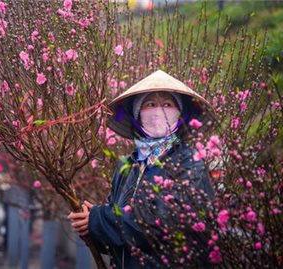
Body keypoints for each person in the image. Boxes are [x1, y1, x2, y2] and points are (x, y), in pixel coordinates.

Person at [68, 70, 215, 268]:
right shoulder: (128, 166)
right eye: (150, 104)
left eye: (168, 104)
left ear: (179, 114)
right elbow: (119, 237)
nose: (159, 111)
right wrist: (91, 225)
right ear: (138, 113)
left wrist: (99, 219)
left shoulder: (189, 163)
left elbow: (165, 223)